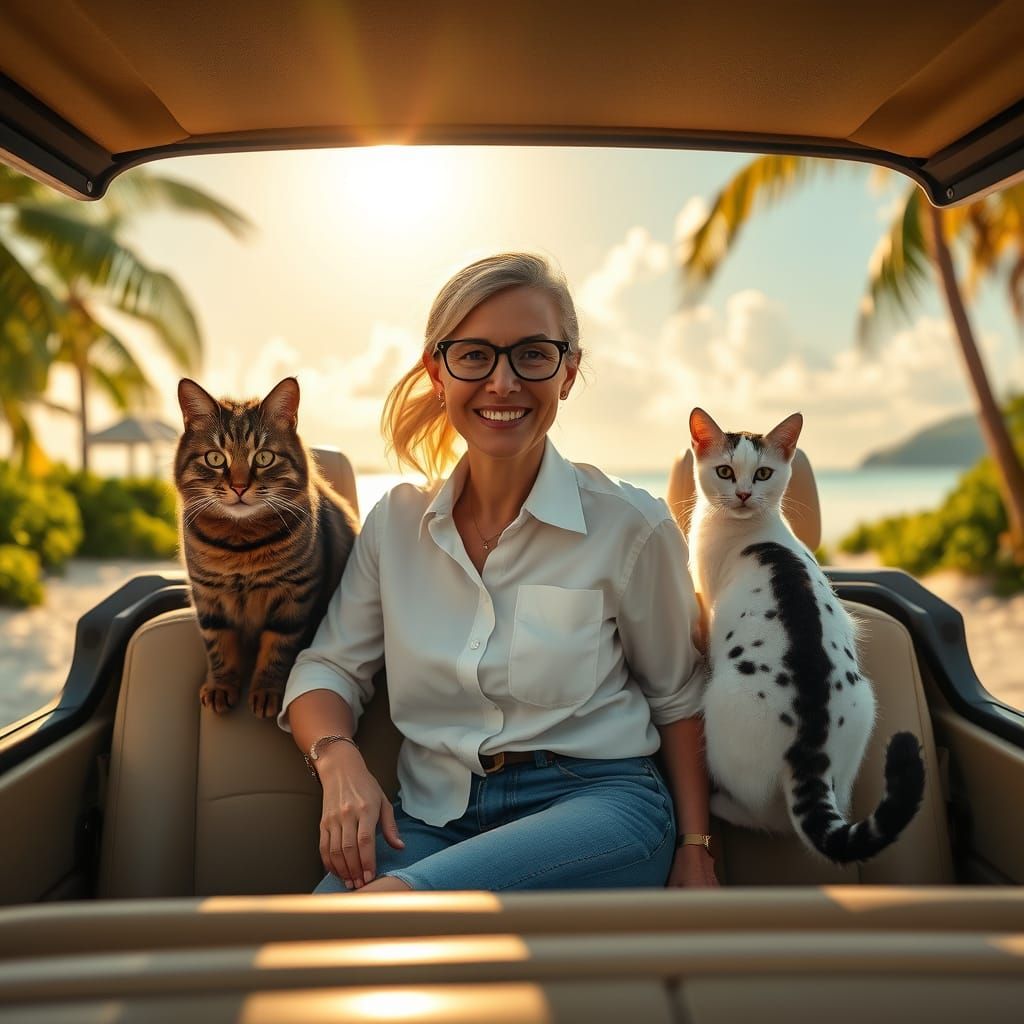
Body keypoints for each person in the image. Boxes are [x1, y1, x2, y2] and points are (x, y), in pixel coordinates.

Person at [278, 252, 716, 893]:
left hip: (597, 811)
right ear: (438, 371)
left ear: (568, 373)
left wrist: (696, 850)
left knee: (382, 911)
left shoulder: (631, 526)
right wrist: (336, 757)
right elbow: (328, 670)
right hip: (430, 819)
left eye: (533, 355)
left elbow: (678, 699)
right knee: (319, 931)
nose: (504, 383)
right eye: (475, 355)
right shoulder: (396, 524)